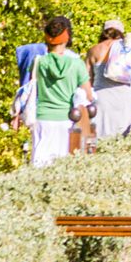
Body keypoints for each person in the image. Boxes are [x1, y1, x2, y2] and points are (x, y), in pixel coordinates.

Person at [28, 16, 91, 167]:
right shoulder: (77, 64)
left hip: (42, 119)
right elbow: (88, 94)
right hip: (66, 121)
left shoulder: (38, 62)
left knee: (39, 165)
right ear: (66, 38)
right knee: (61, 167)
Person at [86, 19, 131, 138]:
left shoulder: (94, 50)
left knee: (101, 143)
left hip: (103, 101)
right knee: (127, 143)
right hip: (127, 102)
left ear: (103, 32)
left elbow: (87, 80)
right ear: (121, 33)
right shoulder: (128, 49)